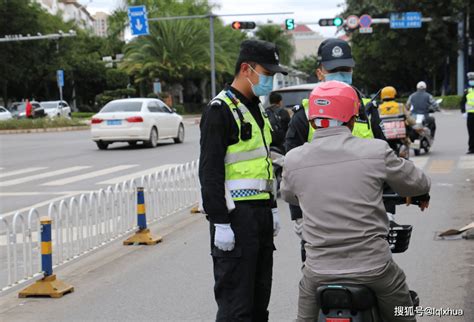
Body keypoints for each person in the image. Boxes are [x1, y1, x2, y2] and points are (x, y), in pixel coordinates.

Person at [280, 80, 431, 322]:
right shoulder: (375, 151)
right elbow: (419, 183)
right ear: (352, 119)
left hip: (318, 270)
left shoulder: (294, 159)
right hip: (374, 268)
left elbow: (288, 194)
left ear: (311, 120)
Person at [199, 39, 287, 321]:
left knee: (259, 302)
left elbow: (264, 165)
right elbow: (210, 172)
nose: (270, 80)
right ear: (247, 69)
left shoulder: (257, 109)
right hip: (235, 219)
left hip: (260, 216)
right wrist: (220, 222)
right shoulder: (219, 109)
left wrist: (272, 207)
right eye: (267, 72)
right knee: (236, 306)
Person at [284, 38, 385, 261]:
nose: (341, 74)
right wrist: (297, 217)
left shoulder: (366, 110)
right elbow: (290, 169)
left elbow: (386, 158)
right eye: (334, 69)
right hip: (319, 224)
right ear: (320, 72)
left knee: (386, 284)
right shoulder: (304, 115)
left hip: (366, 220)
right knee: (311, 286)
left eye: (345, 69)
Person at [379, 86, 416, 157]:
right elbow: (409, 119)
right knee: (410, 140)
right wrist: (414, 123)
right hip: (400, 135)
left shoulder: (379, 108)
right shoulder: (400, 106)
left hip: (385, 135)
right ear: (394, 94)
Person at [460, 72, 474, 154]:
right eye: (470, 79)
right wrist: (463, 112)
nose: (471, 81)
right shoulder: (467, 91)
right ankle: (472, 148)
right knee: (471, 132)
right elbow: (462, 102)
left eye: (472, 79)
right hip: (470, 115)